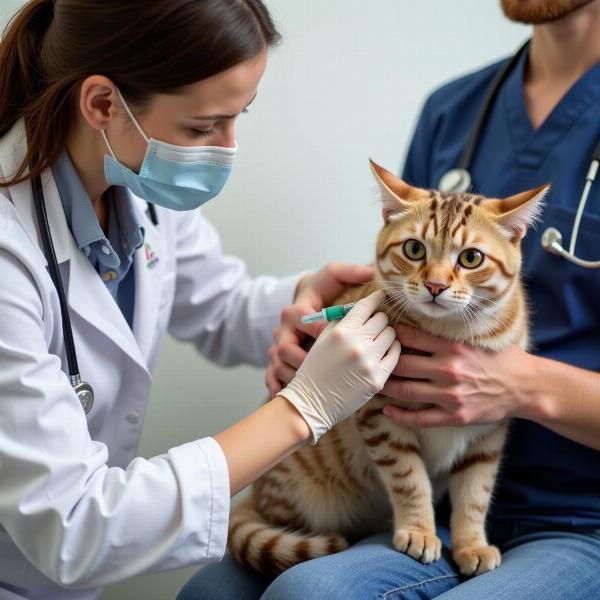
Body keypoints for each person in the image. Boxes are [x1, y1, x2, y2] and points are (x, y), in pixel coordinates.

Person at [180, 0, 600, 598]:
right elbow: (404, 280)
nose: (438, 277)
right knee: (212, 593)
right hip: (414, 484)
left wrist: (521, 386)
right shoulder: (454, 109)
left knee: (312, 593)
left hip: (577, 513)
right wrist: (313, 329)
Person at [0, 1, 402, 599]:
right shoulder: (10, 249)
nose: (226, 149)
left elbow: (217, 302)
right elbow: (74, 527)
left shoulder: (135, 182)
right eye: (203, 127)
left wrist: (303, 299)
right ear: (103, 104)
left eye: (240, 116)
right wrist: (304, 409)